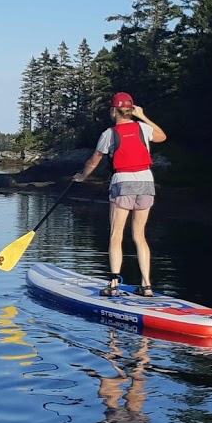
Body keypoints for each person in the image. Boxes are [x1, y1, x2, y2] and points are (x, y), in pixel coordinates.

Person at [74, 92, 166, 297]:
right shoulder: (143, 128)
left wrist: (82, 176)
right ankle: (146, 285)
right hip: (146, 183)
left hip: (122, 182)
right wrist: (143, 116)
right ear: (131, 110)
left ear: (113, 110)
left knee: (116, 235)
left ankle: (114, 283)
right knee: (139, 236)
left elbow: (93, 162)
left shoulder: (109, 133)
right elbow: (161, 136)